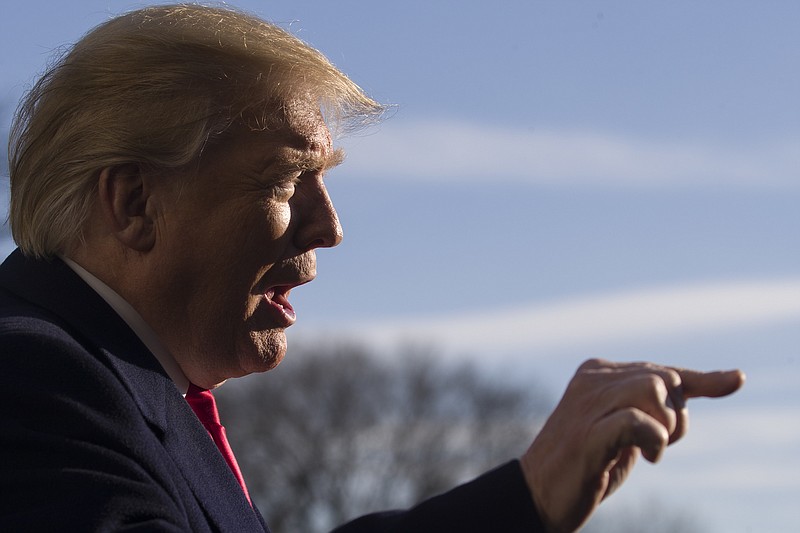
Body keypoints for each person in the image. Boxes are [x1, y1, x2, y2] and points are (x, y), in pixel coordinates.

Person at [0, 5, 744, 532]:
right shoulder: (30, 377)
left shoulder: (116, 385)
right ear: (134, 202)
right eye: (288, 182)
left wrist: (530, 496)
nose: (332, 227)